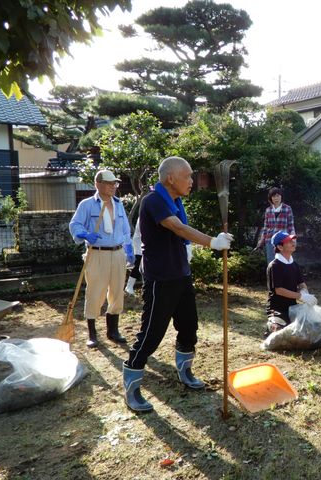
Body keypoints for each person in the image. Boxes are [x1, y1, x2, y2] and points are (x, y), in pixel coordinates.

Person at [122, 156, 233, 412]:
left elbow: (182, 229)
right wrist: (212, 242)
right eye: (188, 176)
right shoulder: (153, 201)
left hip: (181, 274)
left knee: (189, 327)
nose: (192, 181)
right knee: (151, 335)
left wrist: (215, 239)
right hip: (160, 279)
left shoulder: (174, 201)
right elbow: (178, 228)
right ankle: (132, 385)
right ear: (170, 178)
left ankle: (185, 371)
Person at [69, 169, 133, 348]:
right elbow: (75, 224)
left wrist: (129, 250)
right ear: (98, 184)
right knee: (95, 292)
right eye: (110, 183)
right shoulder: (87, 204)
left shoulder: (118, 204)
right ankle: (92, 333)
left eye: (115, 183)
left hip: (118, 253)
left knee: (117, 292)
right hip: (96, 253)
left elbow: (126, 230)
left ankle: (113, 330)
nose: (114, 186)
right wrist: (85, 234)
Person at [265, 231, 317, 335]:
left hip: (293, 308)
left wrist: (305, 293)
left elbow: (301, 283)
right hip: (277, 309)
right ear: (280, 247)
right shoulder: (274, 266)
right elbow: (279, 290)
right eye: (288, 241)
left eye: (292, 240)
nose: (293, 242)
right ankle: (272, 324)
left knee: (311, 328)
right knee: (280, 333)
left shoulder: (294, 264)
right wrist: (300, 296)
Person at [257, 187, 296, 264]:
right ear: (271, 198)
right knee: (271, 263)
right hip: (270, 241)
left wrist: (293, 239)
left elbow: (291, 226)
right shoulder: (268, 210)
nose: (276, 198)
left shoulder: (287, 209)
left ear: (281, 196)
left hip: (283, 241)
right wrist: (261, 240)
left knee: (284, 262)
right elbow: (266, 227)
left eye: (278, 196)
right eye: (274, 196)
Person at [124, 218, 142, 296]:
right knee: (137, 263)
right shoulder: (142, 217)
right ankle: (129, 286)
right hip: (139, 243)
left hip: (147, 244)